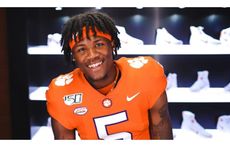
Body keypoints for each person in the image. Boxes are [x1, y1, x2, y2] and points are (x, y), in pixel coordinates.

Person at [46, 11, 173, 140]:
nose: (92, 55)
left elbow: (160, 129)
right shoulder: (61, 91)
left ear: (112, 44)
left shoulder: (146, 73)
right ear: (73, 56)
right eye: (81, 49)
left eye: (99, 44)